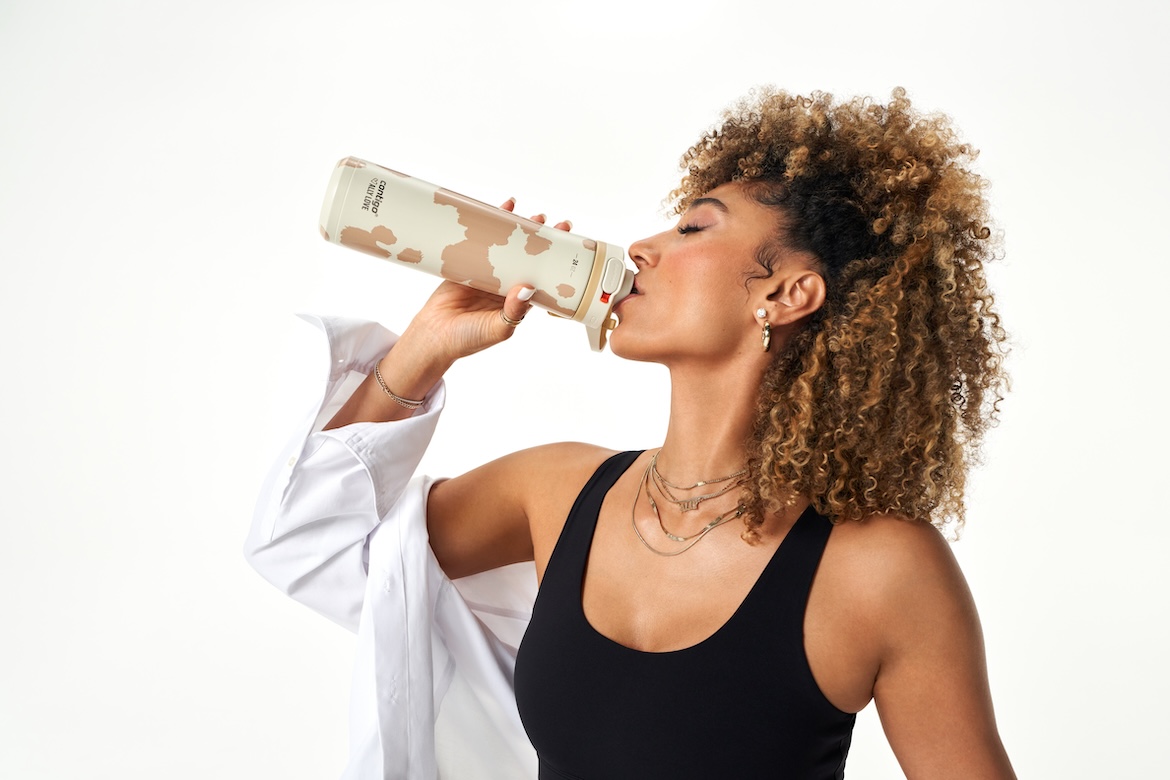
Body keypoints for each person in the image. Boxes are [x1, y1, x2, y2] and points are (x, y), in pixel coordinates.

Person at [247, 88, 1016, 779]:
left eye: (692, 227)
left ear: (787, 294)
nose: (642, 248)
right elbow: (311, 544)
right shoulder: (554, 493)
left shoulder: (881, 571)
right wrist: (422, 350)